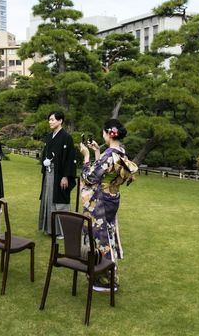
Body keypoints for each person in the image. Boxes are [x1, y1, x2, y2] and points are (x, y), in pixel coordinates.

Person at [79, 119, 138, 292]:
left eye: (104, 132)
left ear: (108, 133)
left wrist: (86, 156)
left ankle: (106, 280)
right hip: (112, 197)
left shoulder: (109, 155)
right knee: (108, 235)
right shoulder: (121, 152)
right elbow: (104, 171)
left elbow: (90, 177)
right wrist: (97, 151)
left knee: (100, 238)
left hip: (101, 200)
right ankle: (108, 276)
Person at [38, 111, 76, 237]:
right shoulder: (50, 136)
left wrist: (65, 176)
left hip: (60, 174)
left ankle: (62, 231)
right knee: (48, 199)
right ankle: (50, 229)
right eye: (49, 119)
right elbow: (45, 153)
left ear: (60, 121)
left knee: (59, 200)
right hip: (49, 173)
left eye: (52, 119)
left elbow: (70, 158)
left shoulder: (67, 137)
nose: (50, 122)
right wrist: (45, 162)